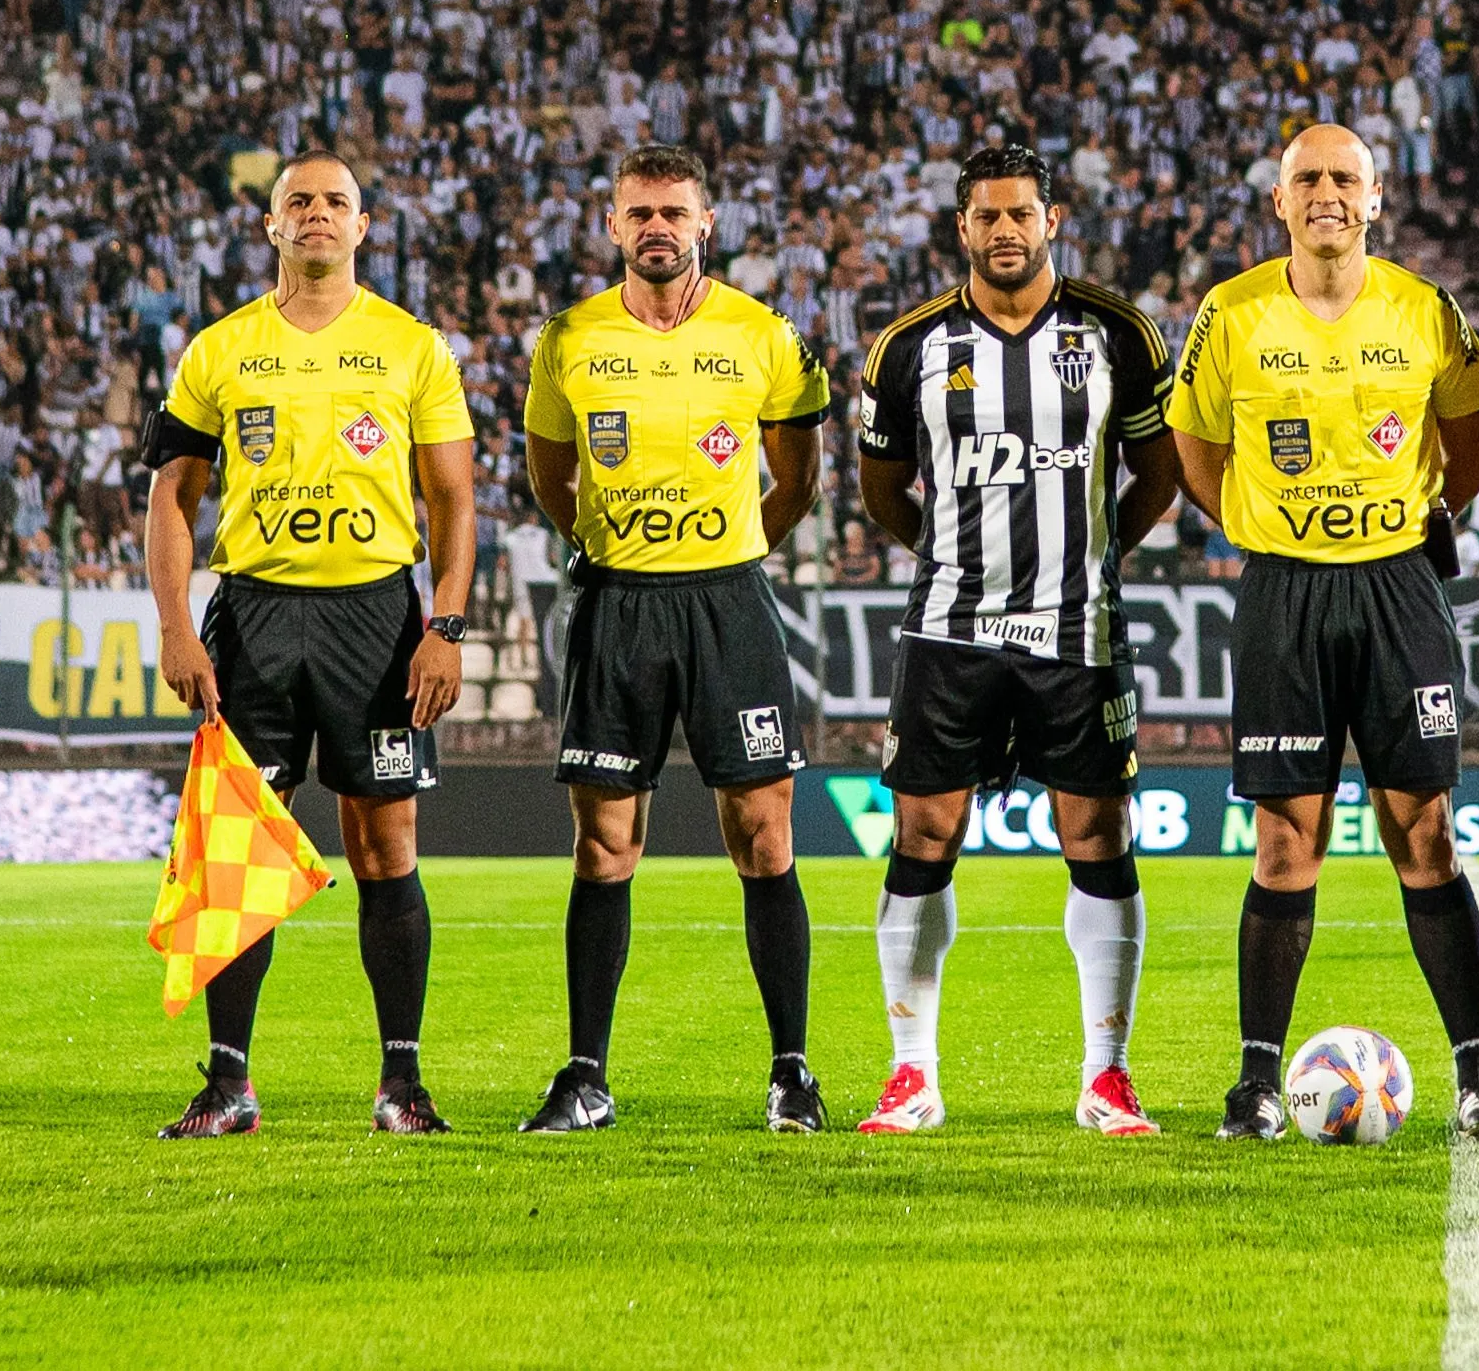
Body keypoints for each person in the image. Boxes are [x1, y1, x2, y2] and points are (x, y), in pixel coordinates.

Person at [1170, 123, 1479, 1142]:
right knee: (1287, 842)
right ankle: (1256, 1082)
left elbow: (1471, 428)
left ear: (1375, 199)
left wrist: (1424, 519)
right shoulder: (1230, 314)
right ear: (1279, 201)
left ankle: (1477, 1072)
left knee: (1426, 830)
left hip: (1397, 587)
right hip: (1286, 593)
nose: (1326, 193)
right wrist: (1248, 524)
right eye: (1306, 179)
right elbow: (1193, 440)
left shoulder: (1423, 309)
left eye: (1345, 179)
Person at [850, 145, 1184, 1137]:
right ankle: (913, 1075)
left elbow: (1157, 473)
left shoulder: (1116, 330)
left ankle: (1107, 1076)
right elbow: (881, 488)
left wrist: (1097, 556)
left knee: (1099, 838)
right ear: (963, 228)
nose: (1005, 231)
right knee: (923, 837)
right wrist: (946, 557)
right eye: (987, 216)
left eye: (1021, 215)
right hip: (949, 628)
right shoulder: (908, 346)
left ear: (1051, 220)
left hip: (1077, 626)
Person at [141, 150, 476, 1138]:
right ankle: (229, 1084)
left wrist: (446, 625)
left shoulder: (413, 347)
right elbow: (172, 496)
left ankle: (401, 1083)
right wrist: (174, 626)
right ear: (272, 226)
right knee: (236, 850)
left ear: (364, 227)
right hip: (253, 616)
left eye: (337, 201)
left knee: (385, 843)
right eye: (300, 201)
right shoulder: (220, 349)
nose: (319, 214)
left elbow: (453, 499)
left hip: (376, 617)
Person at [516, 144, 832, 1135]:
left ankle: (792, 1074)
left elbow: (798, 465)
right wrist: (611, 549)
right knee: (606, 842)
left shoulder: (767, 334)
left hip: (728, 600)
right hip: (618, 603)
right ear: (613, 225)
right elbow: (547, 468)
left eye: (674, 212)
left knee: (765, 831)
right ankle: (584, 1076)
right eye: (638, 212)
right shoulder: (567, 339)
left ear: (706, 222)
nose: (657, 227)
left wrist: (737, 553)